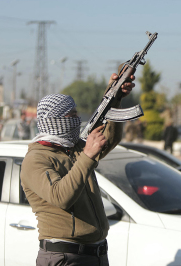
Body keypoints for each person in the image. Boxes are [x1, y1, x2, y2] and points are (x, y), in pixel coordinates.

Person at [20, 73, 135, 266]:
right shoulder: (36, 159)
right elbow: (60, 197)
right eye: (70, 115)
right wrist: (87, 156)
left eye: (76, 114)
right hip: (66, 256)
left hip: (96, 254)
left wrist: (114, 97)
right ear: (54, 120)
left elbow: (109, 138)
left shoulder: (73, 148)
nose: (76, 119)